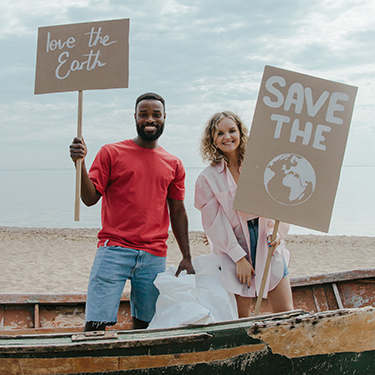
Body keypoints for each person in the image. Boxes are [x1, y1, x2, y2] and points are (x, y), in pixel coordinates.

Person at [70, 92, 195, 331]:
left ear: (164, 118)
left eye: (156, 115)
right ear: (135, 117)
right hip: (113, 250)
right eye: (144, 114)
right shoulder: (111, 152)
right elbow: (89, 199)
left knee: (146, 326)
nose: (150, 120)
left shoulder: (174, 163)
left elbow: (177, 211)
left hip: (153, 255)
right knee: (95, 325)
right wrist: (81, 163)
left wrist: (186, 255)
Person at [194, 111, 293, 318]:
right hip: (233, 245)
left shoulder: (259, 165)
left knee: (286, 312)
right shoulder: (208, 177)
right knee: (240, 317)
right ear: (212, 139)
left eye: (232, 130)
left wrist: (278, 234)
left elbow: (280, 201)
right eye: (220, 133)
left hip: (267, 238)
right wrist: (239, 258)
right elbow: (214, 223)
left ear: (240, 132)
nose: (227, 137)